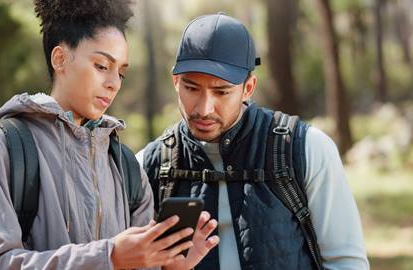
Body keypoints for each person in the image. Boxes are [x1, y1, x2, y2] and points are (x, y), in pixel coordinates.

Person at [0, 1, 219, 269]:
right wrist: (108, 256)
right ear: (60, 59)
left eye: (121, 72)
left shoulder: (125, 164)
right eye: (101, 66)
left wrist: (171, 266)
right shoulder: (1, 147)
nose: (114, 83)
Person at [137, 13, 369, 270]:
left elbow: (346, 263)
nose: (204, 108)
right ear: (176, 82)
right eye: (191, 88)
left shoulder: (307, 148)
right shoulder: (148, 164)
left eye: (221, 92)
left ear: (248, 88)